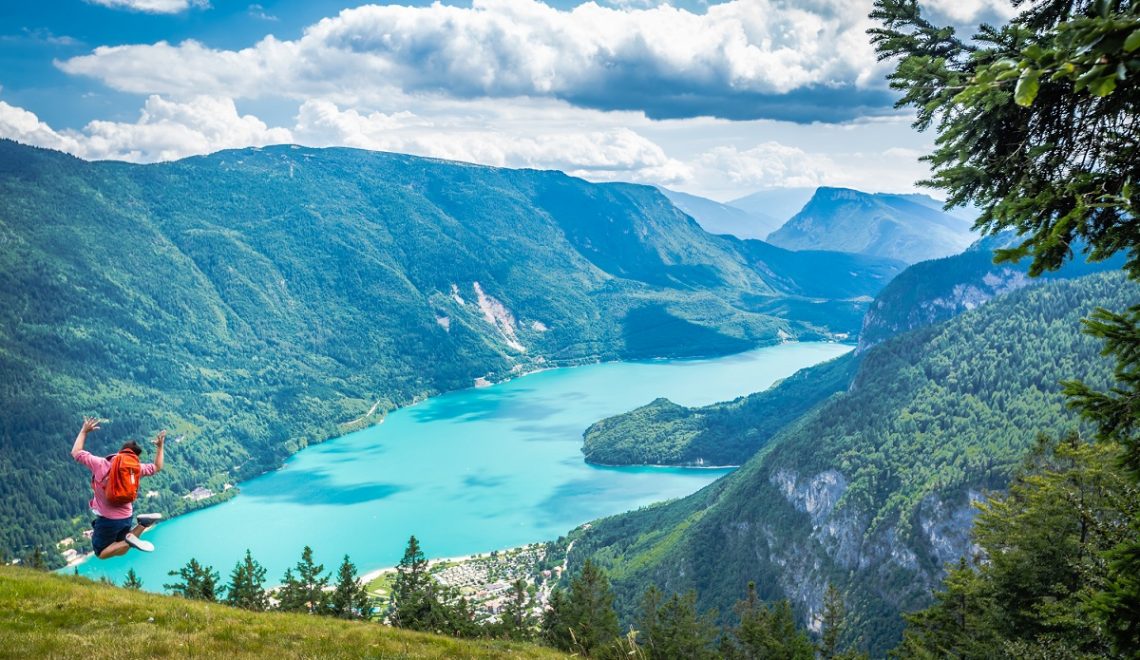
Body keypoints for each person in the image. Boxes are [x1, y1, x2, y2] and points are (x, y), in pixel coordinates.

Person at [71, 417, 166, 558]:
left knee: (101, 553)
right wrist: (160, 446)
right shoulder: (136, 468)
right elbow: (158, 467)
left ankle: (133, 537)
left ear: (120, 452)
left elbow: (76, 452)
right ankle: (142, 525)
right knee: (122, 550)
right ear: (135, 456)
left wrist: (84, 431)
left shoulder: (100, 464)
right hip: (126, 516)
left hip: (107, 519)